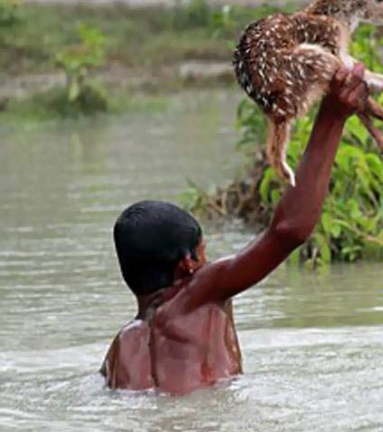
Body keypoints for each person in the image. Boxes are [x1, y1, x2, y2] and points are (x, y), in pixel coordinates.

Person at [101, 64, 369, 395]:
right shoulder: (199, 292)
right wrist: (332, 117)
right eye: (203, 251)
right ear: (188, 265)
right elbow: (290, 231)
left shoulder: (120, 349)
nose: (207, 260)